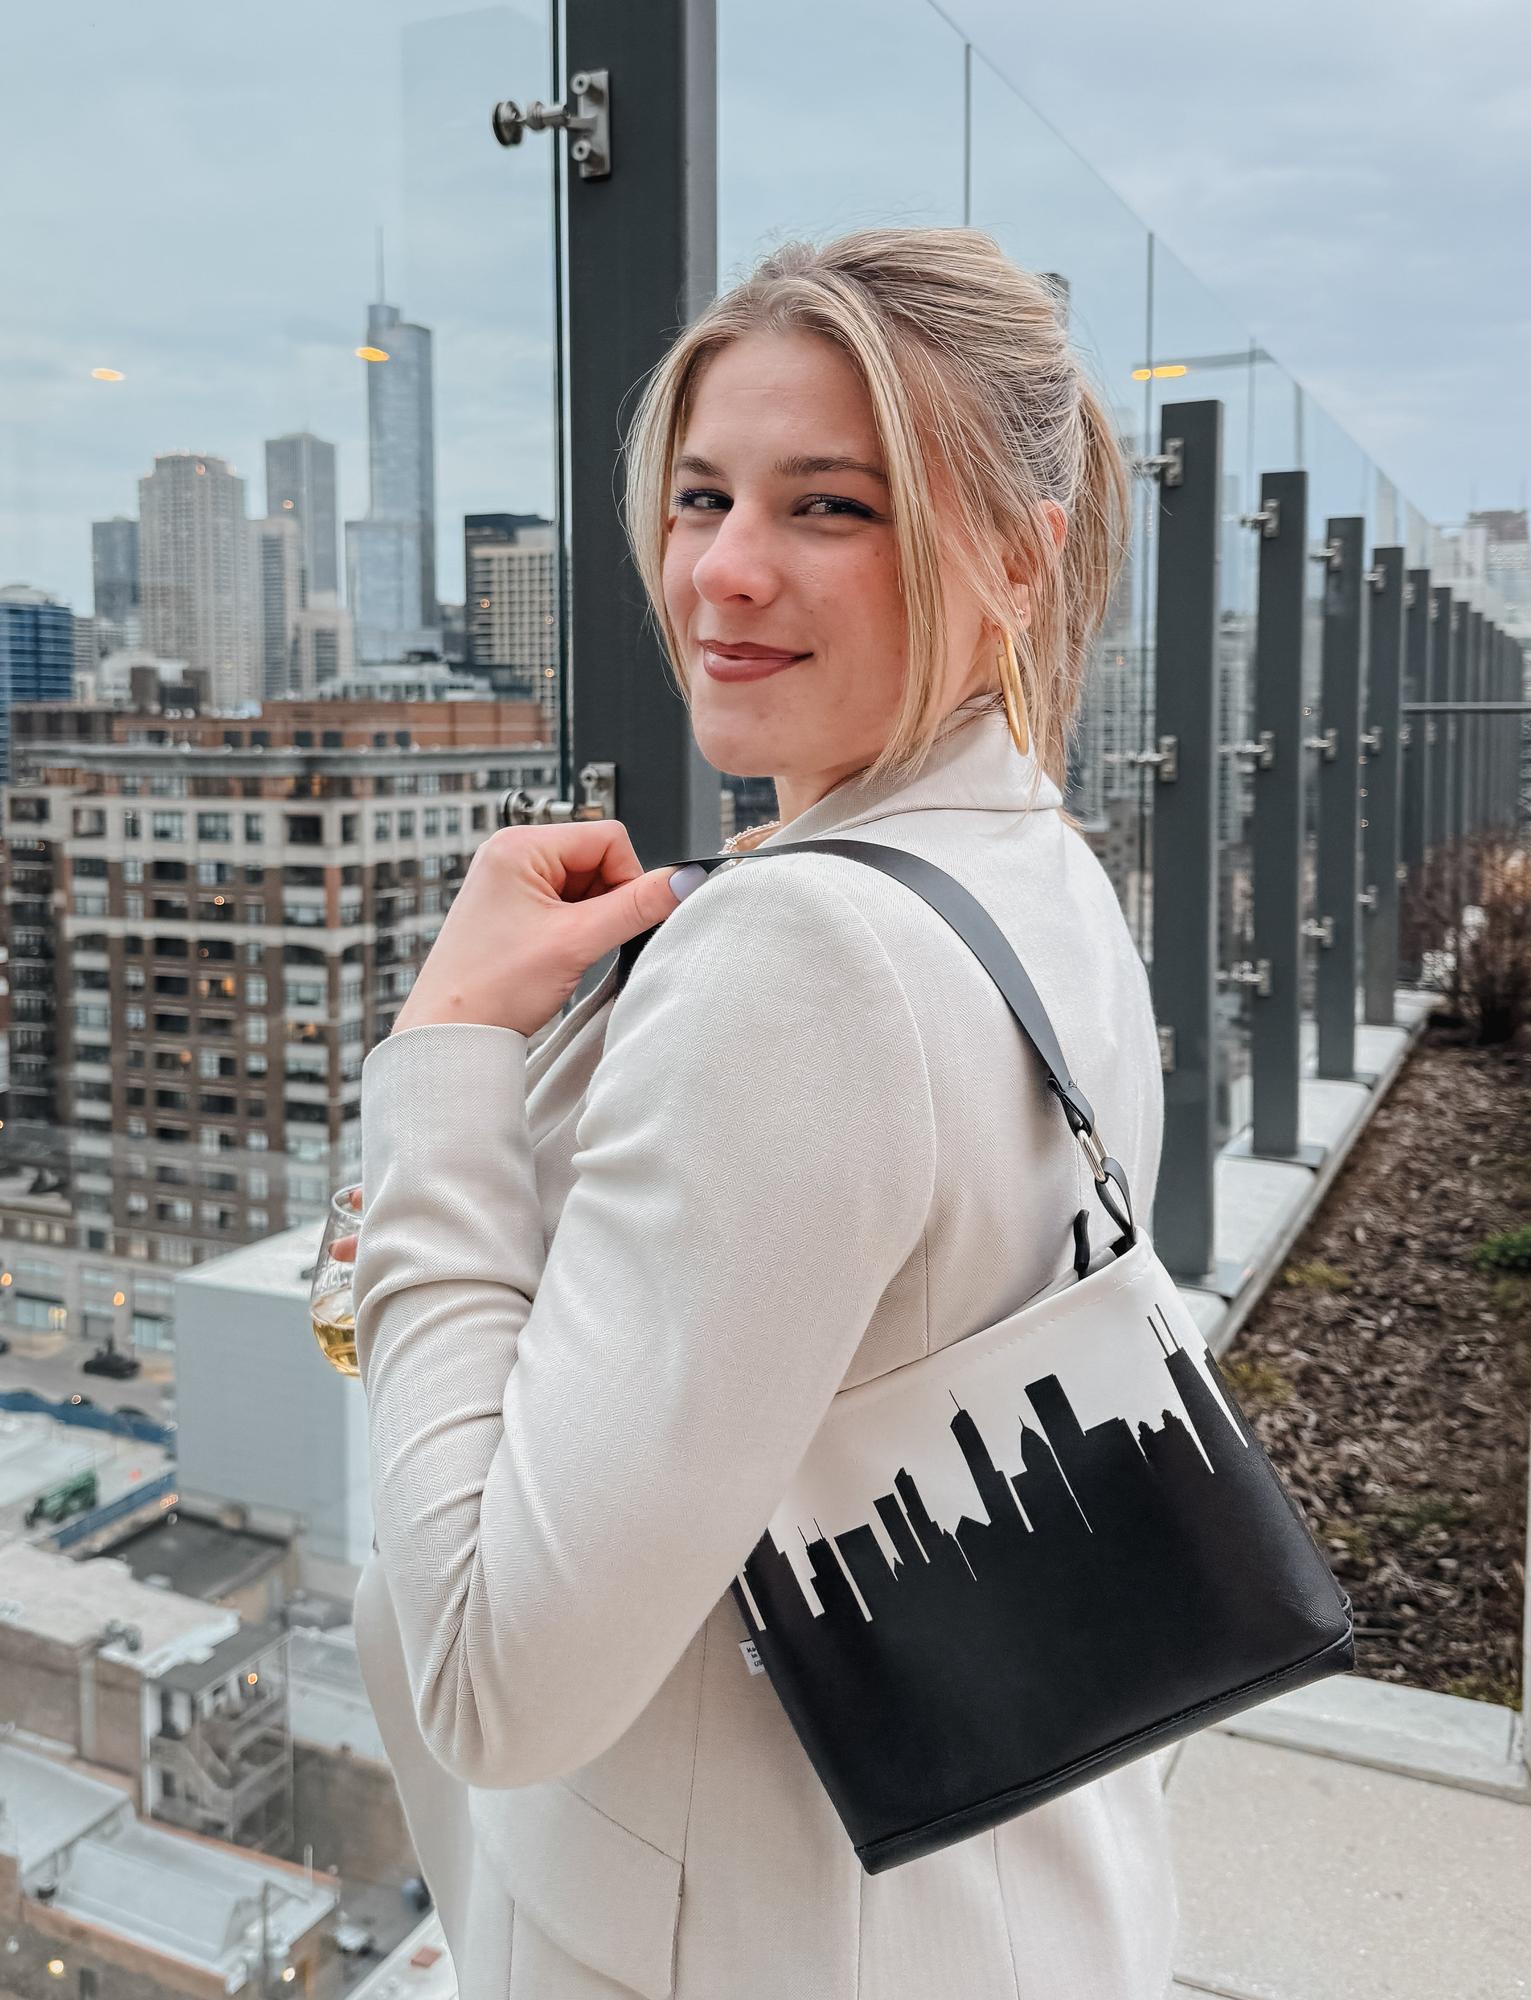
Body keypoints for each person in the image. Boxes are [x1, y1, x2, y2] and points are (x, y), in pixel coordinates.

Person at [348, 225, 1177, 1998]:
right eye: (701, 497)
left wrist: (451, 1047)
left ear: (1018, 560)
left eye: (830, 508)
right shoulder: (1037, 868)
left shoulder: (805, 954)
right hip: (987, 1884)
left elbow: (494, 1680)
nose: (723, 572)